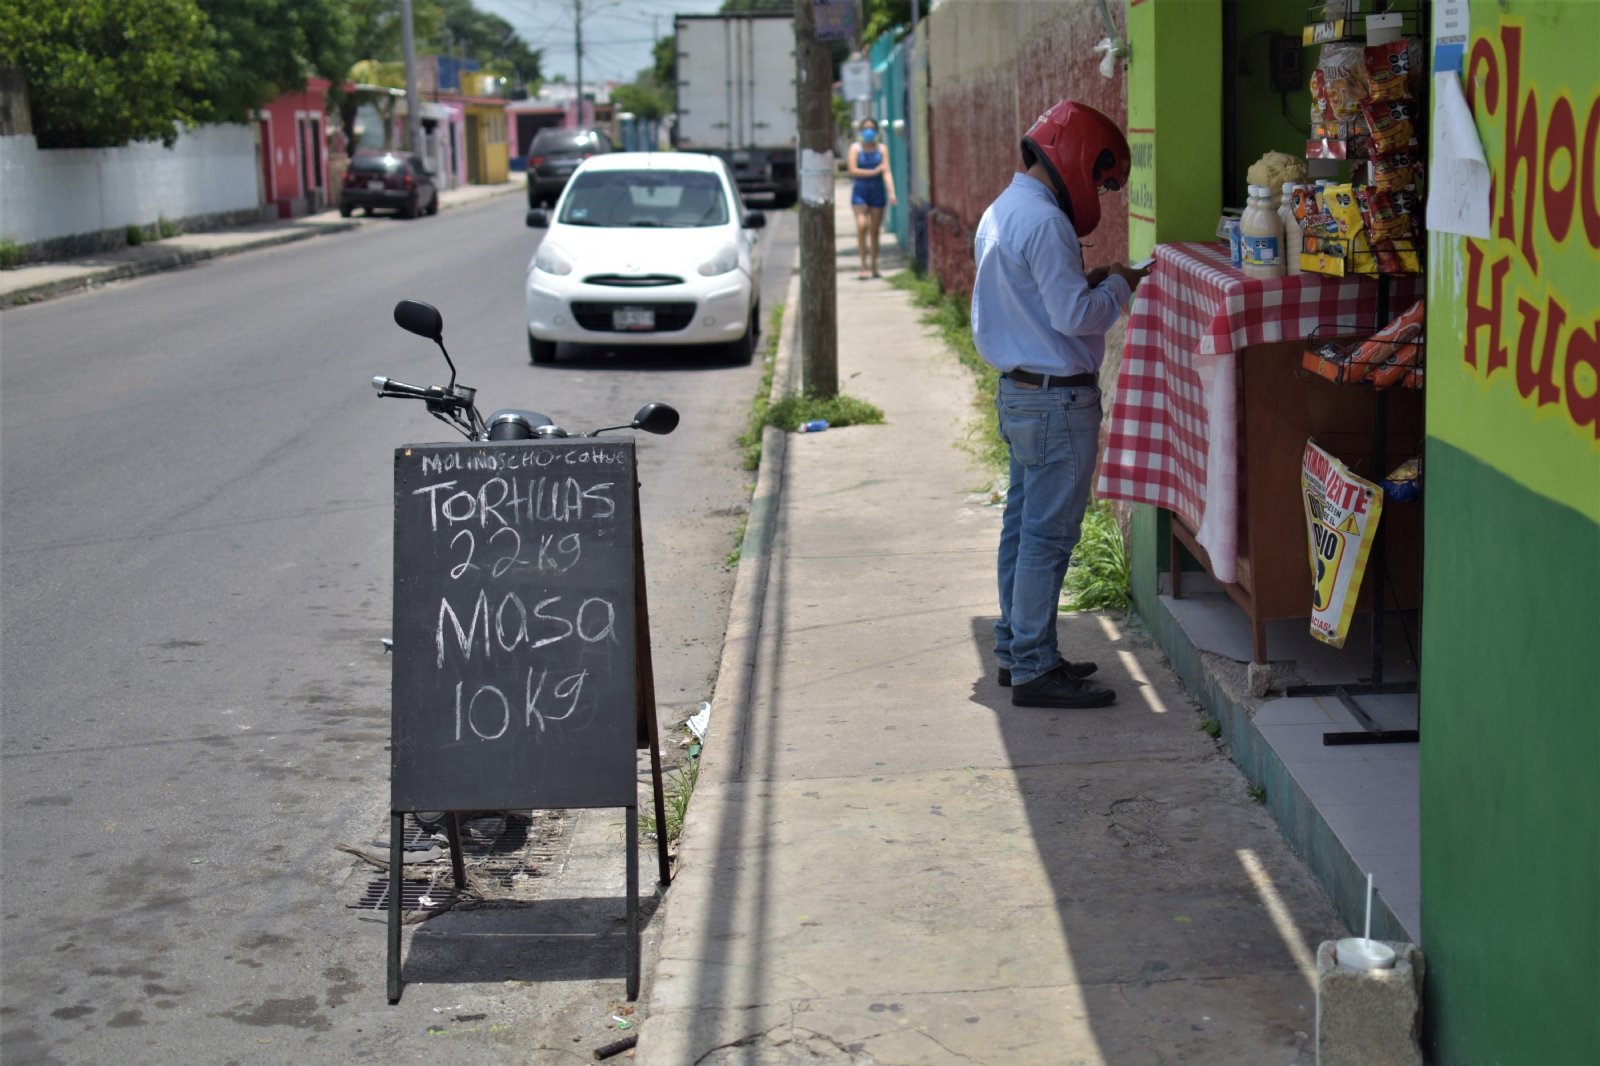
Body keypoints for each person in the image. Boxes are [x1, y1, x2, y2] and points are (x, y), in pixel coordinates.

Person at [971, 100, 1151, 709]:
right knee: (1046, 540)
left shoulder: (1004, 210)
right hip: (1055, 404)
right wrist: (1123, 283)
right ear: (1078, 157)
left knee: (1022, 530)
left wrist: (1092, 279)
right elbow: (1073, 316)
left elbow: (1035, 301)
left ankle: (1017, 650)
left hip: (1021, 394)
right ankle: (1034, 667)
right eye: (1103, 178)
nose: (1099, 189)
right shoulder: (1045, 221)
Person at [846, 119, 897, 279]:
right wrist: (874, 172)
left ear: (877, 131)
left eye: (872, 129)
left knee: (874, 231)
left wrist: (892, 192)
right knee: (862, 226)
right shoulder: (855, 148)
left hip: (877, 191)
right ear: (861, 131)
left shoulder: (882, 149)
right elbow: (853, 170)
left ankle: (874, 265)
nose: (869, 132)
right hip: (860, 190)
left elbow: (886, 171)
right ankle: (863, 264)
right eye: (866, 129)